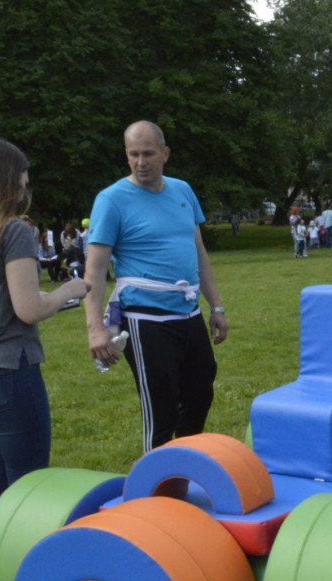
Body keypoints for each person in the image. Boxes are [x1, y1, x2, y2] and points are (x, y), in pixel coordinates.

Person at [0, 138, 90, 520]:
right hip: (7, 370)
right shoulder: (13, 231)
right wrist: (66, 292)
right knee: (29, 485)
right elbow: (28, 309)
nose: (26, 187)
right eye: (23, 178)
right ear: (8, 179)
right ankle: (22, 569)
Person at [84, 120, 228, 453]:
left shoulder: (182, 191)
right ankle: (157, 492)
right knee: (160, 409)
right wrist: (95, 329)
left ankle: (185, 468)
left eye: (148, 154)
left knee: (200, 392)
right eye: (133, 154)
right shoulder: (111, 200)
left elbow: (198, 253)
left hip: (188, 312)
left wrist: (216, 306)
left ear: (165, 154)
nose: (141, 162)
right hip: (145, 317)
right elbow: (95, 268)